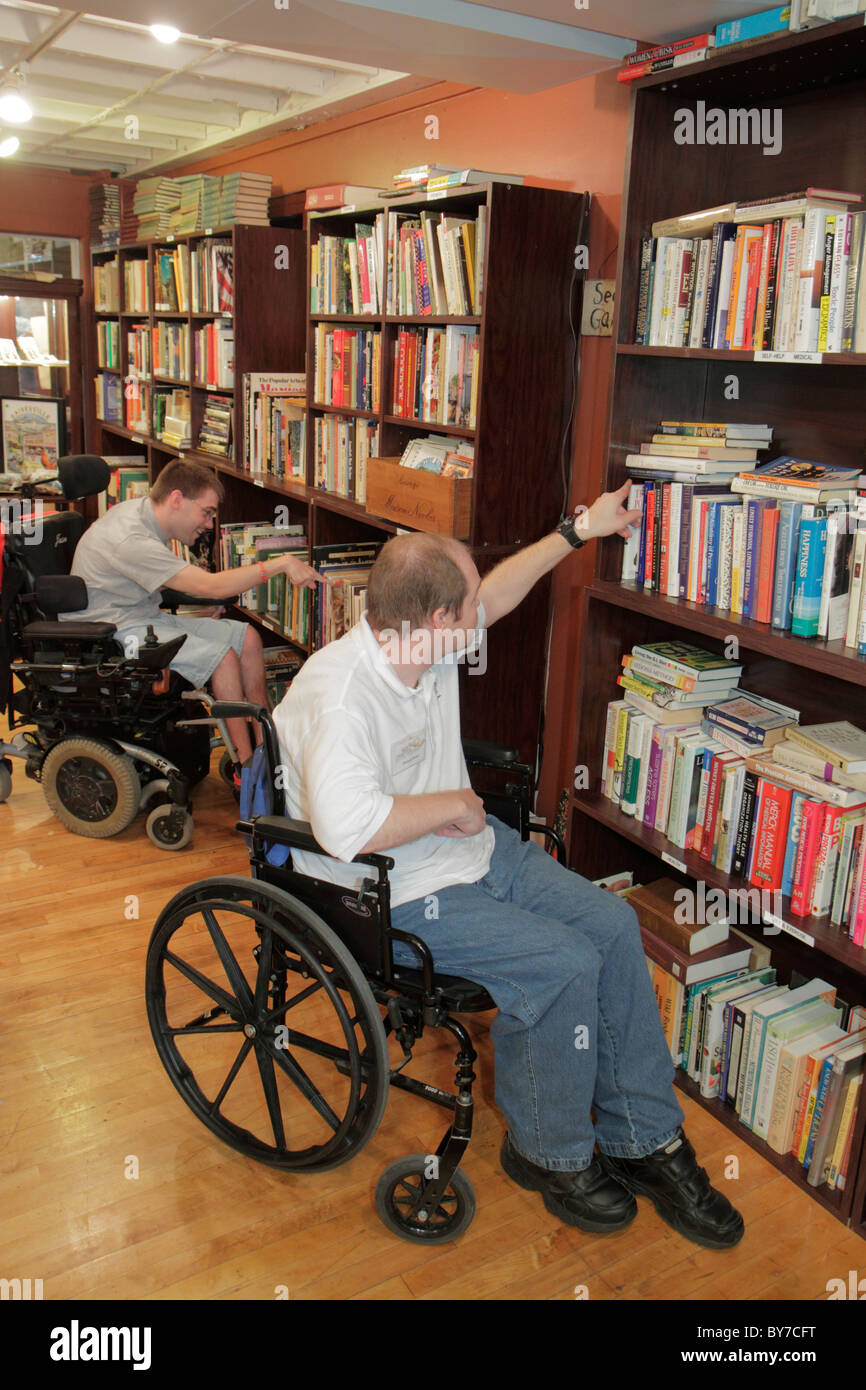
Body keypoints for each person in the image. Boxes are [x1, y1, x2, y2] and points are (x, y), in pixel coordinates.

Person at [272, 482, 745, 1249]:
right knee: (562, 965)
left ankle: (644, 1139)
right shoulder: (342, 695)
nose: (476, 620)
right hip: (393, 888)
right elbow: (346, 826)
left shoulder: (418, 640)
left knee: (612, 925)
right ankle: (549, 1153)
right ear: (433, 622)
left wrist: (578, 529)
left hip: (472, 852)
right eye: (463, 612)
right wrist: (454, 805)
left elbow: (494, 594)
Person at [64, 459, 322, 769]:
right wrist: (280, 564)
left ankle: (265, 745)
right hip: (109, 630)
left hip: (141, 615)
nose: (210, 524)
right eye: (207, 512)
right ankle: (248, 768)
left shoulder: (141, 514)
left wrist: (198, 594)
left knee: (247, 638)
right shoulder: (130, 539)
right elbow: (210, 587)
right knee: (223, 656)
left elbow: (189, 585)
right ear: (176, 499)